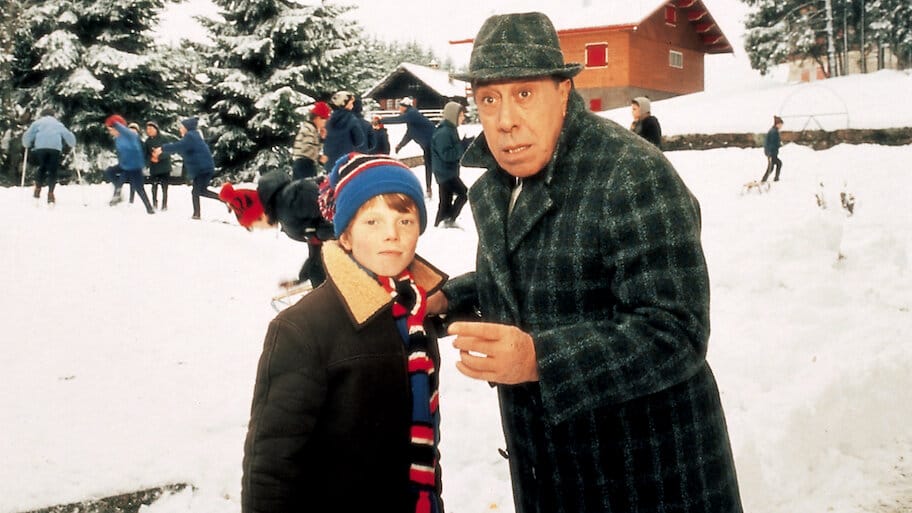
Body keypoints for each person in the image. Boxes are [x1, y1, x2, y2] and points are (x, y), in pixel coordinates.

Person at [430, 12, 742, 513]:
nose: (505, 118)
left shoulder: (631, 173)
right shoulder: (495, 185)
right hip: (550, 473)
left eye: (524, 94)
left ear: (562, 91)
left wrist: (539, 359)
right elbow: (532, 276)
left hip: (648, 477)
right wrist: (453, 296)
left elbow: (675, 331)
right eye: (489, 99)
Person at [241, 153, 446, 513]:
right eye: (371, 220)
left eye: (405, 219)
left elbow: (425, 441)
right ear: (345, 237)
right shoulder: (302, 329)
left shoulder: (416, 315)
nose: (391, 234)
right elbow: (271, 467)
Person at [219, 170, 333, 288]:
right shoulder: (284, 209)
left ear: (259, 216)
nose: (261, 230)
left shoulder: (291, 200)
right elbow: (315, 247)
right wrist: (302, 278)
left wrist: (326, 232)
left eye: (255, 226)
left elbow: (333, 213)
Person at [153, 117, 222, 220]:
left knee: (196, 192)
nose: (180, 129)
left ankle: (197, 214)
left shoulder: (190, 136)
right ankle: (223, 201)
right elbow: (182, 149)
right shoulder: (193, 137)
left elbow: (178, 146)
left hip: (203, 169)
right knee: (201, 191)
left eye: (181, 127)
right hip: (204, 168)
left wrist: (162, 149)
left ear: (187, 128)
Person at [21, 108, 77, 205]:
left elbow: (28, 135)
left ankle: (38, 188)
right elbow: (67, 135)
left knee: (42, 167)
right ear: (53, 115)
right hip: (55, 148)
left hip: (41, 148)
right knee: (53, 170)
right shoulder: (58, 124)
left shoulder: (37, 123)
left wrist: (26, 144)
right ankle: (51, 194)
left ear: (42, 115)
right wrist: (72, 143)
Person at [383, 97, 436, 198]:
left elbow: (398, 119)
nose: (399, 109)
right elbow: (410, 134)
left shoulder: (412, 114)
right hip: (428, 144)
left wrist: (382, 120)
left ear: (404, 107)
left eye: (400, 107)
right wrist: (400, 146)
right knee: (430, 166)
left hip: (433, 142)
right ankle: (429, 189)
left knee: (434, 166)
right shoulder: (411, 116)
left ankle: (442, 188)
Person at [103, 115, 155, 214]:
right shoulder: (118, 139)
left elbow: (125, 131)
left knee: (139, 188)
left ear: (117, 128)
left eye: (111, 129)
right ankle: (118, 192)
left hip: (135, 166)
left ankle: (149, 208)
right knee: (110, 171)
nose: (110, 132)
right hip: (125, 164)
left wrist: (114, 123)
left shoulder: (130, 135)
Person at [430, 101, 468, 228]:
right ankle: (447, 221)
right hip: (445, 173)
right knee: (463, 193)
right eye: (461, 115)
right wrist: (462, 146)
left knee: (445, 201)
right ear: (453, 115)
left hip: (447, 172)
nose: (463, 118)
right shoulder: (444, 132)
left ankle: (442, 224)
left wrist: (463, 144)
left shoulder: (450, 130)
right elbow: (446, 155)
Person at [321, 91, 366, 173]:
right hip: (346, 162)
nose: (352, 105)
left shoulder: (328, 120)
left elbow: (322, 138)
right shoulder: (351, 119)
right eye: (351, 103)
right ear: (345, 104)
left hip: (329, 163)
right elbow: (359, 141)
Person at [291, 101, 330, 180]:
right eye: (324, 120)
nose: (325, 123)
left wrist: (321, 139)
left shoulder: (312, 130)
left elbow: (313, 148)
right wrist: (319, 158)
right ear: (317, 118)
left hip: (304, 164)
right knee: (306, 189)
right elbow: (307, 150)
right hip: (304, 166)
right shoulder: (309, 130)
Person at [144, 121, 174, 210]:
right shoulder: (147, 141)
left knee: (164, 187)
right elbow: (146, 154)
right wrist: (150, 159)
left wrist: (159, 157)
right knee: (154, 186)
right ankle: (154, 203)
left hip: (164, 167)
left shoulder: (164, 139)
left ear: (156, 129)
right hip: (154, 167)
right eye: (147, 129)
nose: (148, 131)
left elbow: (168, 151)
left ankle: (164, 204)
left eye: (150, 129)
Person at [761, 115, 784, 182]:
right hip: (771, 152)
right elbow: (771, 143)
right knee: (773, 166)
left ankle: (772, 179)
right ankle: (765, 180)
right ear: (777, 124)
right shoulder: (773, 132)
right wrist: (770, 154)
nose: (781, 126)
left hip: (771, 152)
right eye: (781, 124)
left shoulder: (774, 131)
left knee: (775, 165)